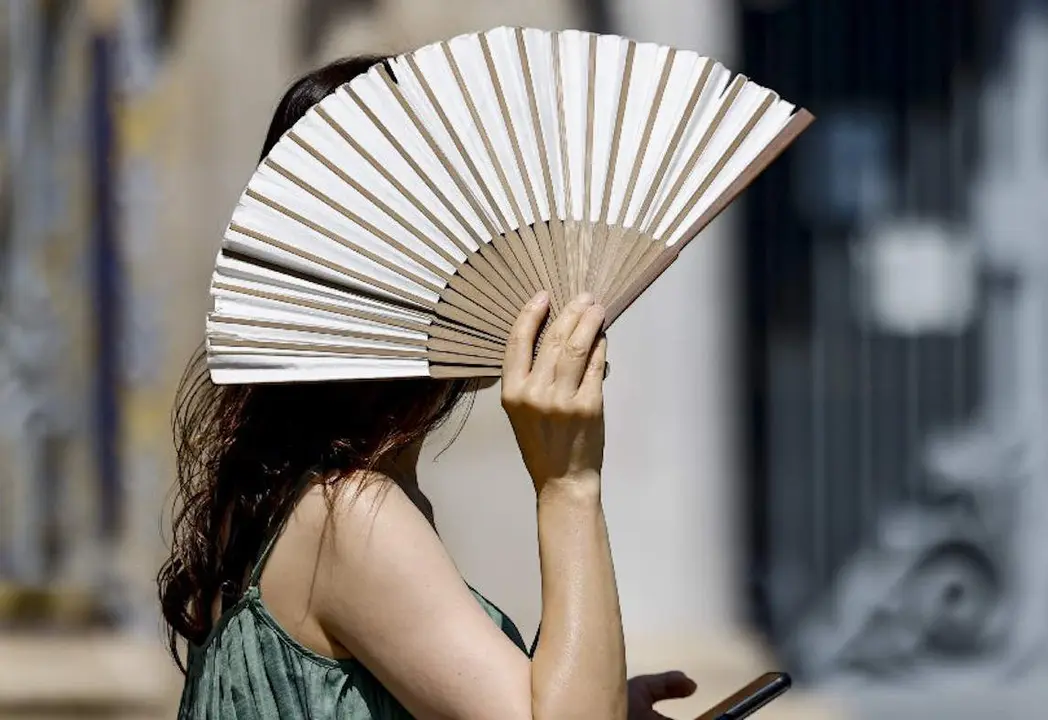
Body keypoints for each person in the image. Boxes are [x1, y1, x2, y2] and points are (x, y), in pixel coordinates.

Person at [160, 56, 698, 719]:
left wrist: (603, 698)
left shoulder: (292, 495)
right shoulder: (349, 515)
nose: (521, 260)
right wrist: (568, 483)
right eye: (484, 232)